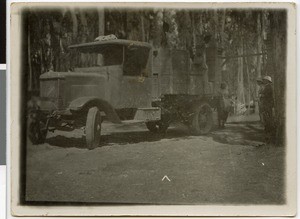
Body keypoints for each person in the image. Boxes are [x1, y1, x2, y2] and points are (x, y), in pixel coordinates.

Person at [260, 75, 275, 143]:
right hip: (266, 105)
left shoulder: (269, 87)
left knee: (268, 119)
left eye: (265, 80)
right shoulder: (266, 87)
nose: (263, 81)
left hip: (268, 105)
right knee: (266, 118)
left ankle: (269, 135)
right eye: (263, 80)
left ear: (268, 81)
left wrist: (262, 95)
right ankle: (267, 134)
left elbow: (268, 96)